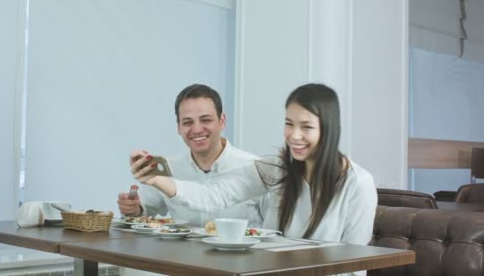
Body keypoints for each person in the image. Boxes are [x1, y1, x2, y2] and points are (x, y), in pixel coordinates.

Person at [131, 83, 377, 248]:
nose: (294, 135)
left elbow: (353, 267)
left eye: (307, 127)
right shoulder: (275, 169)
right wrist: (157, 180)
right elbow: (215, 195)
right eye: (289, 124)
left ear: (329, 128)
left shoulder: (358, 184)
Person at [117, 84, 266, 228]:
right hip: (179, 254)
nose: (197, 129)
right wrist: (133, 208)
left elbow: (278, 232)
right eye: (187, 122)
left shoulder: (256, 168)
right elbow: (144, 209)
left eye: (206, 120)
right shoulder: (167, 167)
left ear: (222, 121)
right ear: (178, 127)